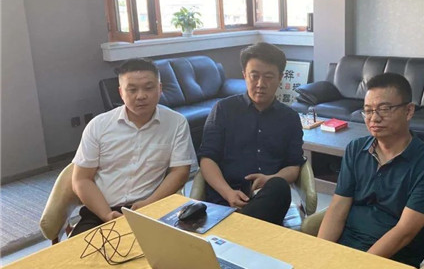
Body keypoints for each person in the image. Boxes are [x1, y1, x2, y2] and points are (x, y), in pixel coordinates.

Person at [317, 72, 424, 268]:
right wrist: (320, 253)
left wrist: (358, 266)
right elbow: (338, 208)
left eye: (384, 109)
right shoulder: (356, 149)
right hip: (346, 247)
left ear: (409, 111)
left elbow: (404, 233)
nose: (374, 118)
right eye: (368, 111)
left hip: (392, 261)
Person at [71, 58, 197, 236]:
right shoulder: (98, 125)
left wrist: (149, 204)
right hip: (101, 211)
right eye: (132, 89)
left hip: (153, 208)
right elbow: (81, 179)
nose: (141, 96)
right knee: (79, 252)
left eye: (148, 88)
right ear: (121, 92)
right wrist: (106, 214)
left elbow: (180, 172)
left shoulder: (176, 123)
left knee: (169, 251)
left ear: (160, 88)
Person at [198, 42, 304, 225]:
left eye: (269, 77)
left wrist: (270, 179)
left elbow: (293, 166)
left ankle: (239, 228)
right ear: (244, 75)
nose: (261, 84)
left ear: (280, 78)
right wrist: (228, 193)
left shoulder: (290, 118)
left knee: (278, 186)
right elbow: (207, 159)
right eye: (254, 76)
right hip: (225, 198)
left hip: (268, 199)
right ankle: (244, 228)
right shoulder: (223, 110)